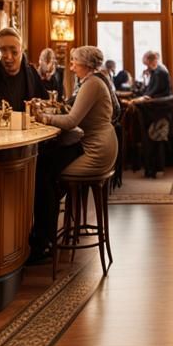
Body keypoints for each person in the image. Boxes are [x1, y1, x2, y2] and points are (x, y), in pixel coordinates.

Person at [29, 46, 119, 261]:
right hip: (95, 143)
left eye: (74, 62)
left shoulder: (93, 84)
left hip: (97, 150)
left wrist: (43, 117)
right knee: (45, 167)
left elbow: (71, 121)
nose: (71, 66)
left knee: (46, 174)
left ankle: (45, 241)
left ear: (86, 65)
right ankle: (44, 235)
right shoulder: (92, 81)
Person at [132, 50, 173, 177]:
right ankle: (152, 169)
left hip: (158, 111)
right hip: (159, 109)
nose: (147, 67)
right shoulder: (158, 71)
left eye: (147, 65)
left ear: (151, 61)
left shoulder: (159, 72)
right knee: (153, 139)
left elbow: (151, 93)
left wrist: (137, 100)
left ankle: (154, 169)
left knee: (152, 139)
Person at [0, 28, 47, 110]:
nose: (8, 57)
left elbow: (44, 102)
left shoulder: (32, 73)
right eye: (3, 51)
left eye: (14, 52)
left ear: (21, 50)